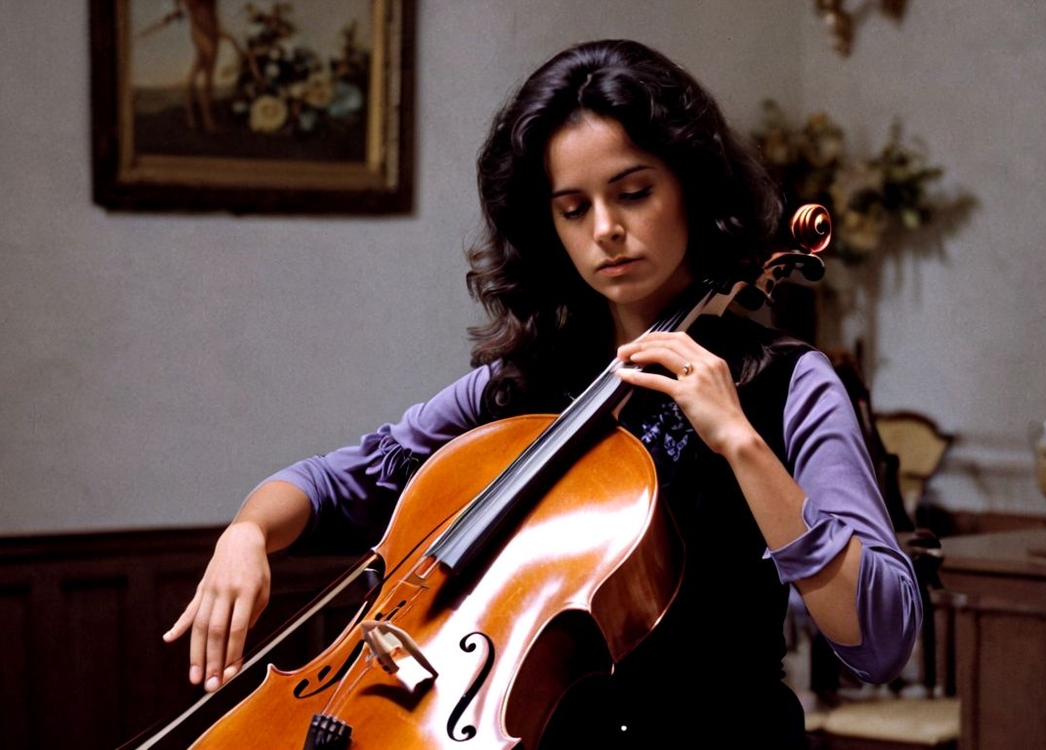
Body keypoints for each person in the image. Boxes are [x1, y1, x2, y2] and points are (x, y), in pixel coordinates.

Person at [163, 39, 920, 747]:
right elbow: (344, 479)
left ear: (690, 186)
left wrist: (742, 444)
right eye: (574, 208)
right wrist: (248, 534)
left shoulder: (788, 384)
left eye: (633, 193)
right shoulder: (524, 384)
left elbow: (880, 639)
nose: (607, 231)